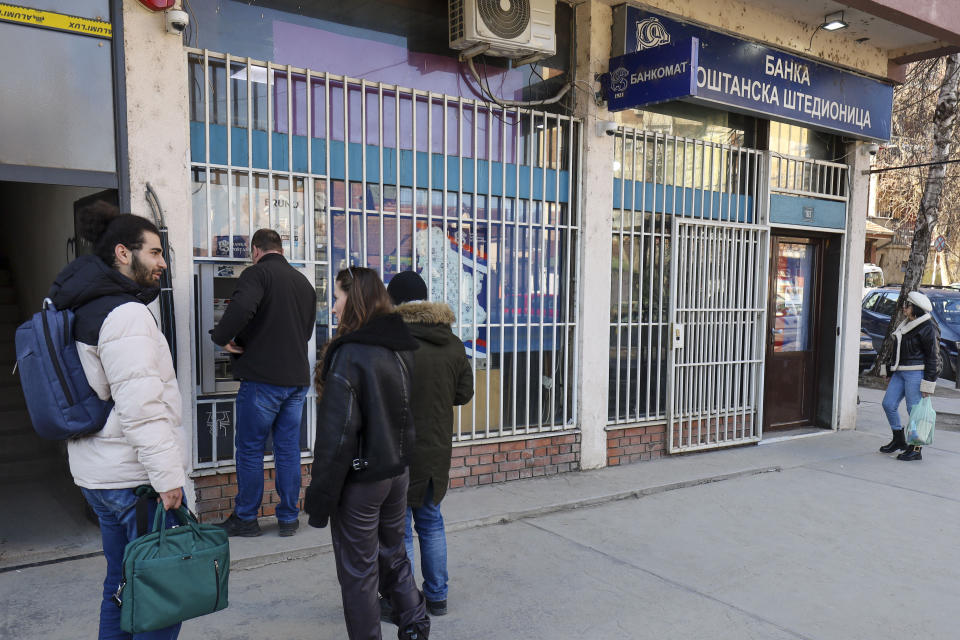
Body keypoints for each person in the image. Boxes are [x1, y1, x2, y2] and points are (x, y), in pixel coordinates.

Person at [49, 202, 187, 640]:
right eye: (156, 252)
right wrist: (169, 480)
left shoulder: (79, 306)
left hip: (100, 472)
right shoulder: (124, 315)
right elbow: (142, 408)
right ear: (124, 254)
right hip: (134, 479)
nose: (163, 262)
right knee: (161, 593)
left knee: (122, 584)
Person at [304, 266, 431, 640]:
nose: (334, 308)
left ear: (354, 299)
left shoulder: (350, 354)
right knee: (394, 555)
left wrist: (321, 494)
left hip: (361, 480)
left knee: (359, 574)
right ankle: (416, 625)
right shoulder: (401, 346)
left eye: (338, 298)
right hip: (396, 473)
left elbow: (337, 433)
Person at [211, 228, 316, 537]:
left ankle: (245, 518)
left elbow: (242, 308)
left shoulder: (256, 274)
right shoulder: (304, 284)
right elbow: (306, 331)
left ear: (255, 250)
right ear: (280, 249)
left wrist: (222, 338)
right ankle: (288, 518)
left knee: (250, 449)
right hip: (296, 380)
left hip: (262, 380)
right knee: (287, 450)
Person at [382, 270, 473, 619]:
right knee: (431, 521)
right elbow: (464, 393)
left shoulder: (392, 341)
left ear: (396, 301)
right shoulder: (451, 342)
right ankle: (437, 597)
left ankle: (403, 598)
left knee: (399, 527)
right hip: (436, 450)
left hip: (398, 449)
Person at [878, 290, 940, 461]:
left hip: (916, 373)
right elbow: (895, 351)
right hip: (900, 372)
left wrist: (928, 384)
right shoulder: (906, 323)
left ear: (916, 308)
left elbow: (933, 357)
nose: (904, 307)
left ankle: (916, 448)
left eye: (907, 305)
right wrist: (889, 370)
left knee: (914, 410)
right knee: (888, 404)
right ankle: (899, 440)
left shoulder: (928, 327)